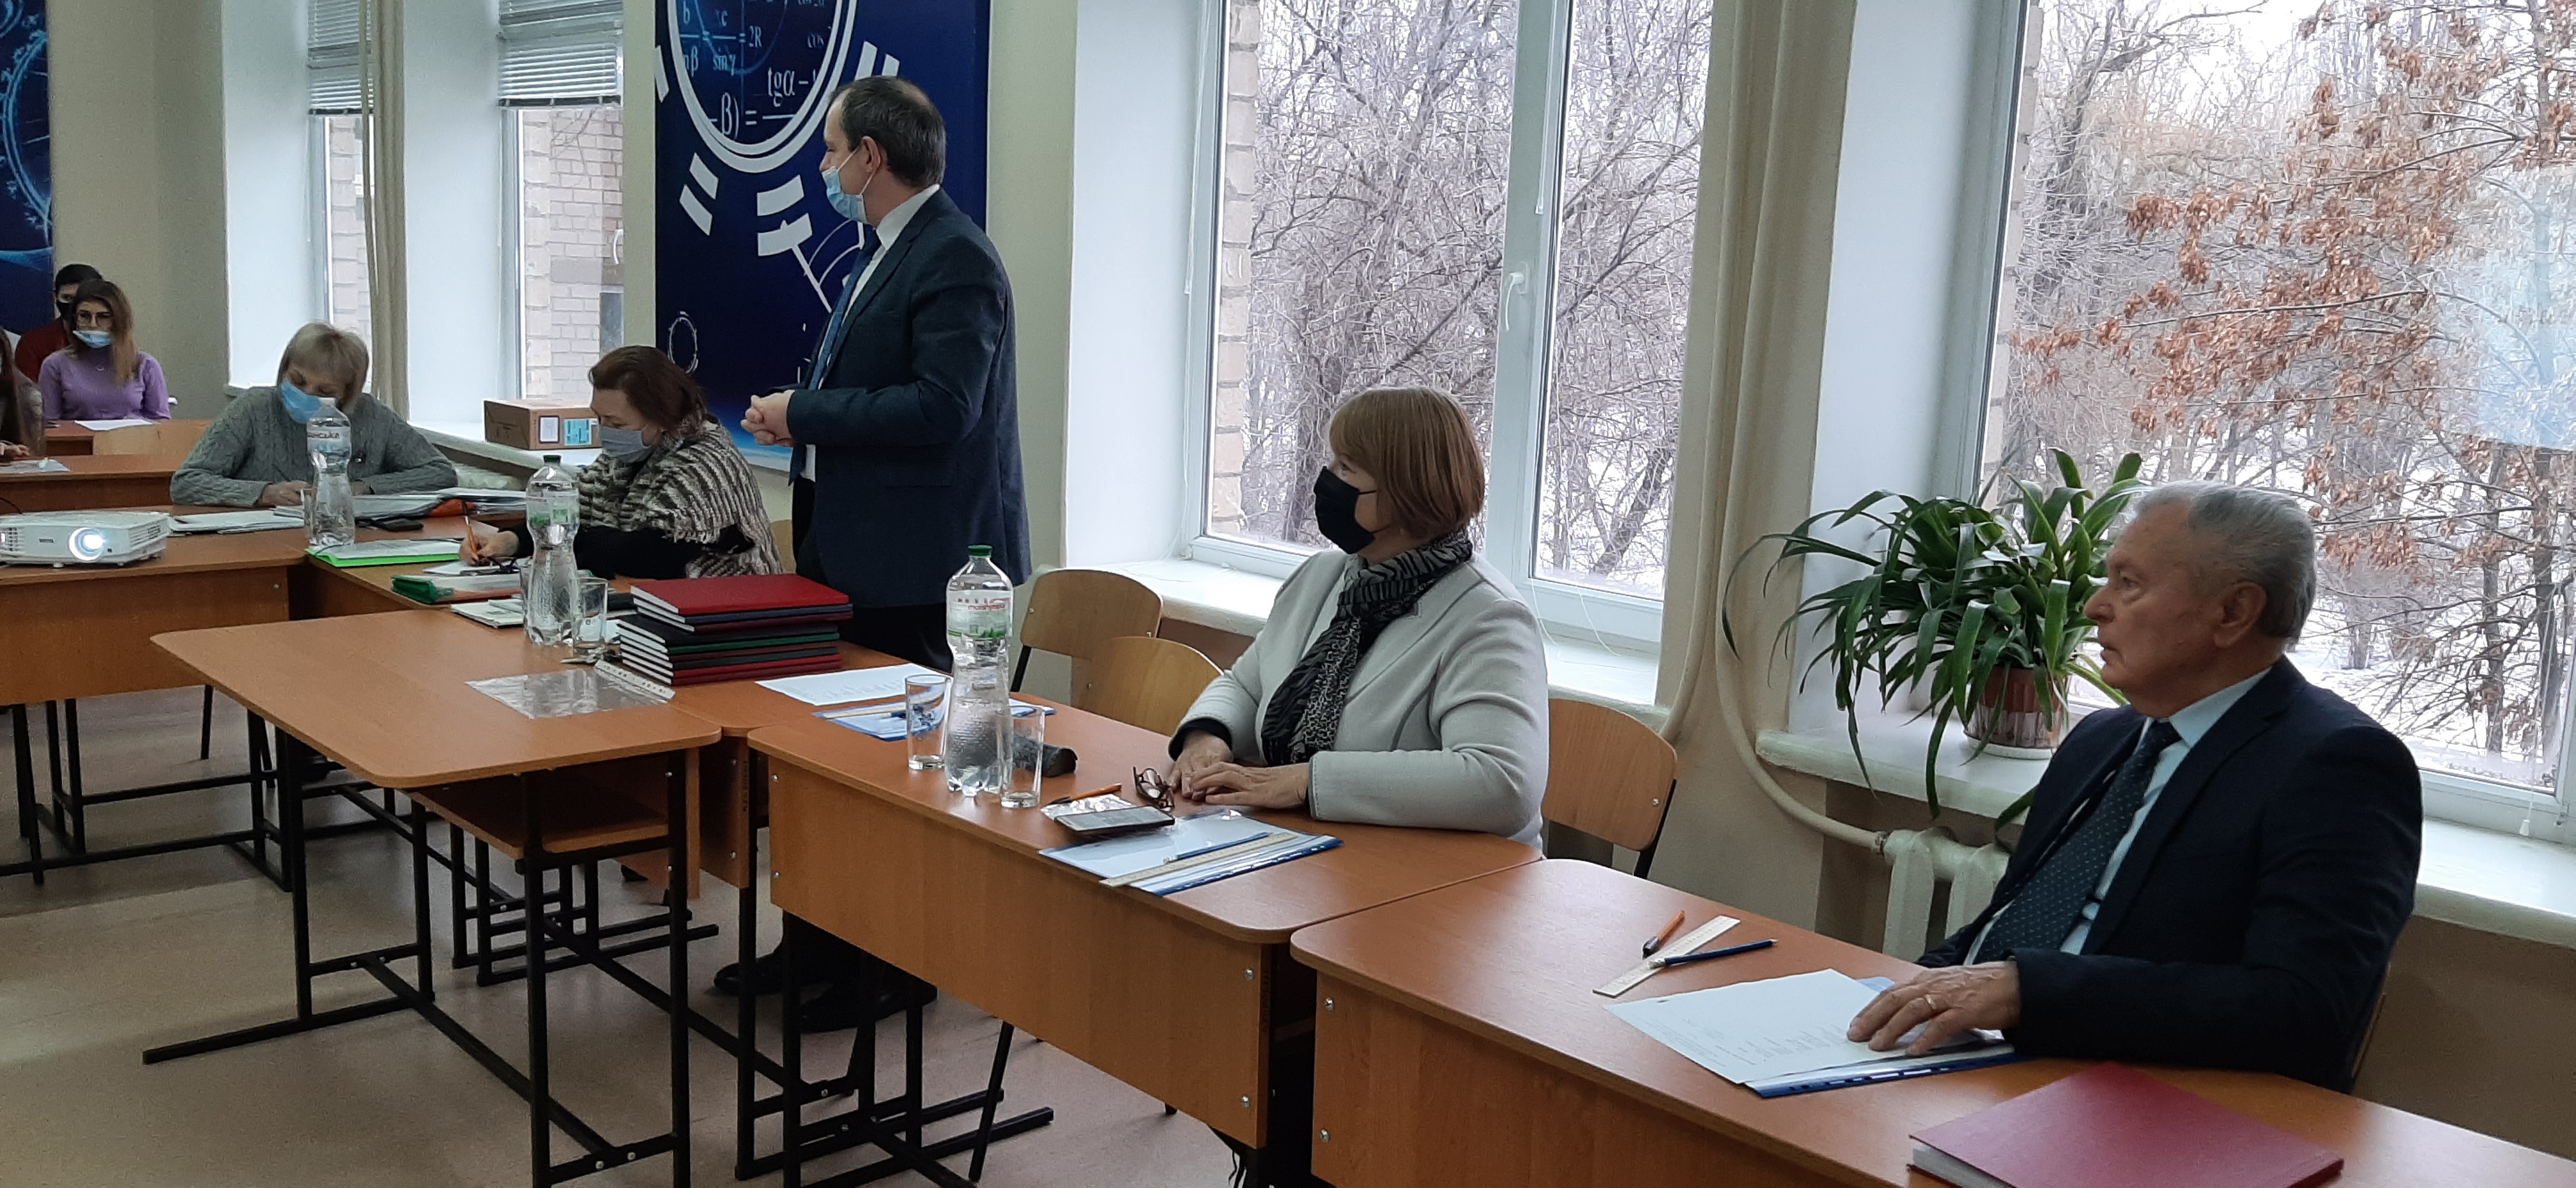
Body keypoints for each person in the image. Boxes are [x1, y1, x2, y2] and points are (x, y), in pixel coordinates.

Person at [1847, 482, 2421, 1092]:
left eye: (2128, 584)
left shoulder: (2339, 764)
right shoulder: (2101, 737)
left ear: (2233, 612)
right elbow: (2011, 921)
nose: (2095, 606)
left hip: (2146, 1096)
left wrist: (2030, 991)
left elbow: (2305, 1008)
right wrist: (1919, 986)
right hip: (1987, 1061)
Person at [732, 75, 1031, 1032]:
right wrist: (801, 414)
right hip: (851, 540)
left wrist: (804, 415)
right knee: (825, 759)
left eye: (830, 150)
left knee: (894, 774)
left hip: (917, 559)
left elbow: (945, 408)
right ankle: (816, 942)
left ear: (871, 156)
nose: (823, 167)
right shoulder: (884, 251)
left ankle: (895, 966)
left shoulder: (955, 257)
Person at [1166, 386, 1550, 848]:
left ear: (1407, 492)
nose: (1327, 479)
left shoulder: (1490, 618)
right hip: (1316, 846)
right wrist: (1208, 738)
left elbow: (1502, 783)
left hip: (1444, 871)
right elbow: (1248, 685)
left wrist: (1305, 781)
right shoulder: (1321, 576)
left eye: (1346, 467)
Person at [460, 346, 781, 579]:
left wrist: (561, 543)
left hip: (726, 609)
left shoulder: (706, 464)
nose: (605, 432)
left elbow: (651, 556)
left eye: (616, 423)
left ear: (660, 419)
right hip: (641, 597)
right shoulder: (627, 454)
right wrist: (512, 540)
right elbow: (574, 517)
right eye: (600, 419)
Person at [171, 323, 457, 507]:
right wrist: (264, 493)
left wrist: (364, 488)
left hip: (345, 539)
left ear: (346, 394)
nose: (306, 393)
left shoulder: (371, 416)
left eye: (324, 390)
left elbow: (440, 472)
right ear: (284, 369)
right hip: (262, 541)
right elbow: (187, 482)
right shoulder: (253, 409)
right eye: (297, 381)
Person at [40, 278, 169, 423]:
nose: (93, 324)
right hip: (78, 437)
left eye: (103, 317)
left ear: (119, 321)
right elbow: (50, 424)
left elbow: (161, 421)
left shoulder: (145, 364)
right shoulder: (55, 365)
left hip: (133, 436)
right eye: (84, 316)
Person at [15, 263, 100, 385]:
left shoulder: (116, 339)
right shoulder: (33, 343)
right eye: (68, 298)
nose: (75, 305)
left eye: (83, 298)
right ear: (55, 297)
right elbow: (28, 391)